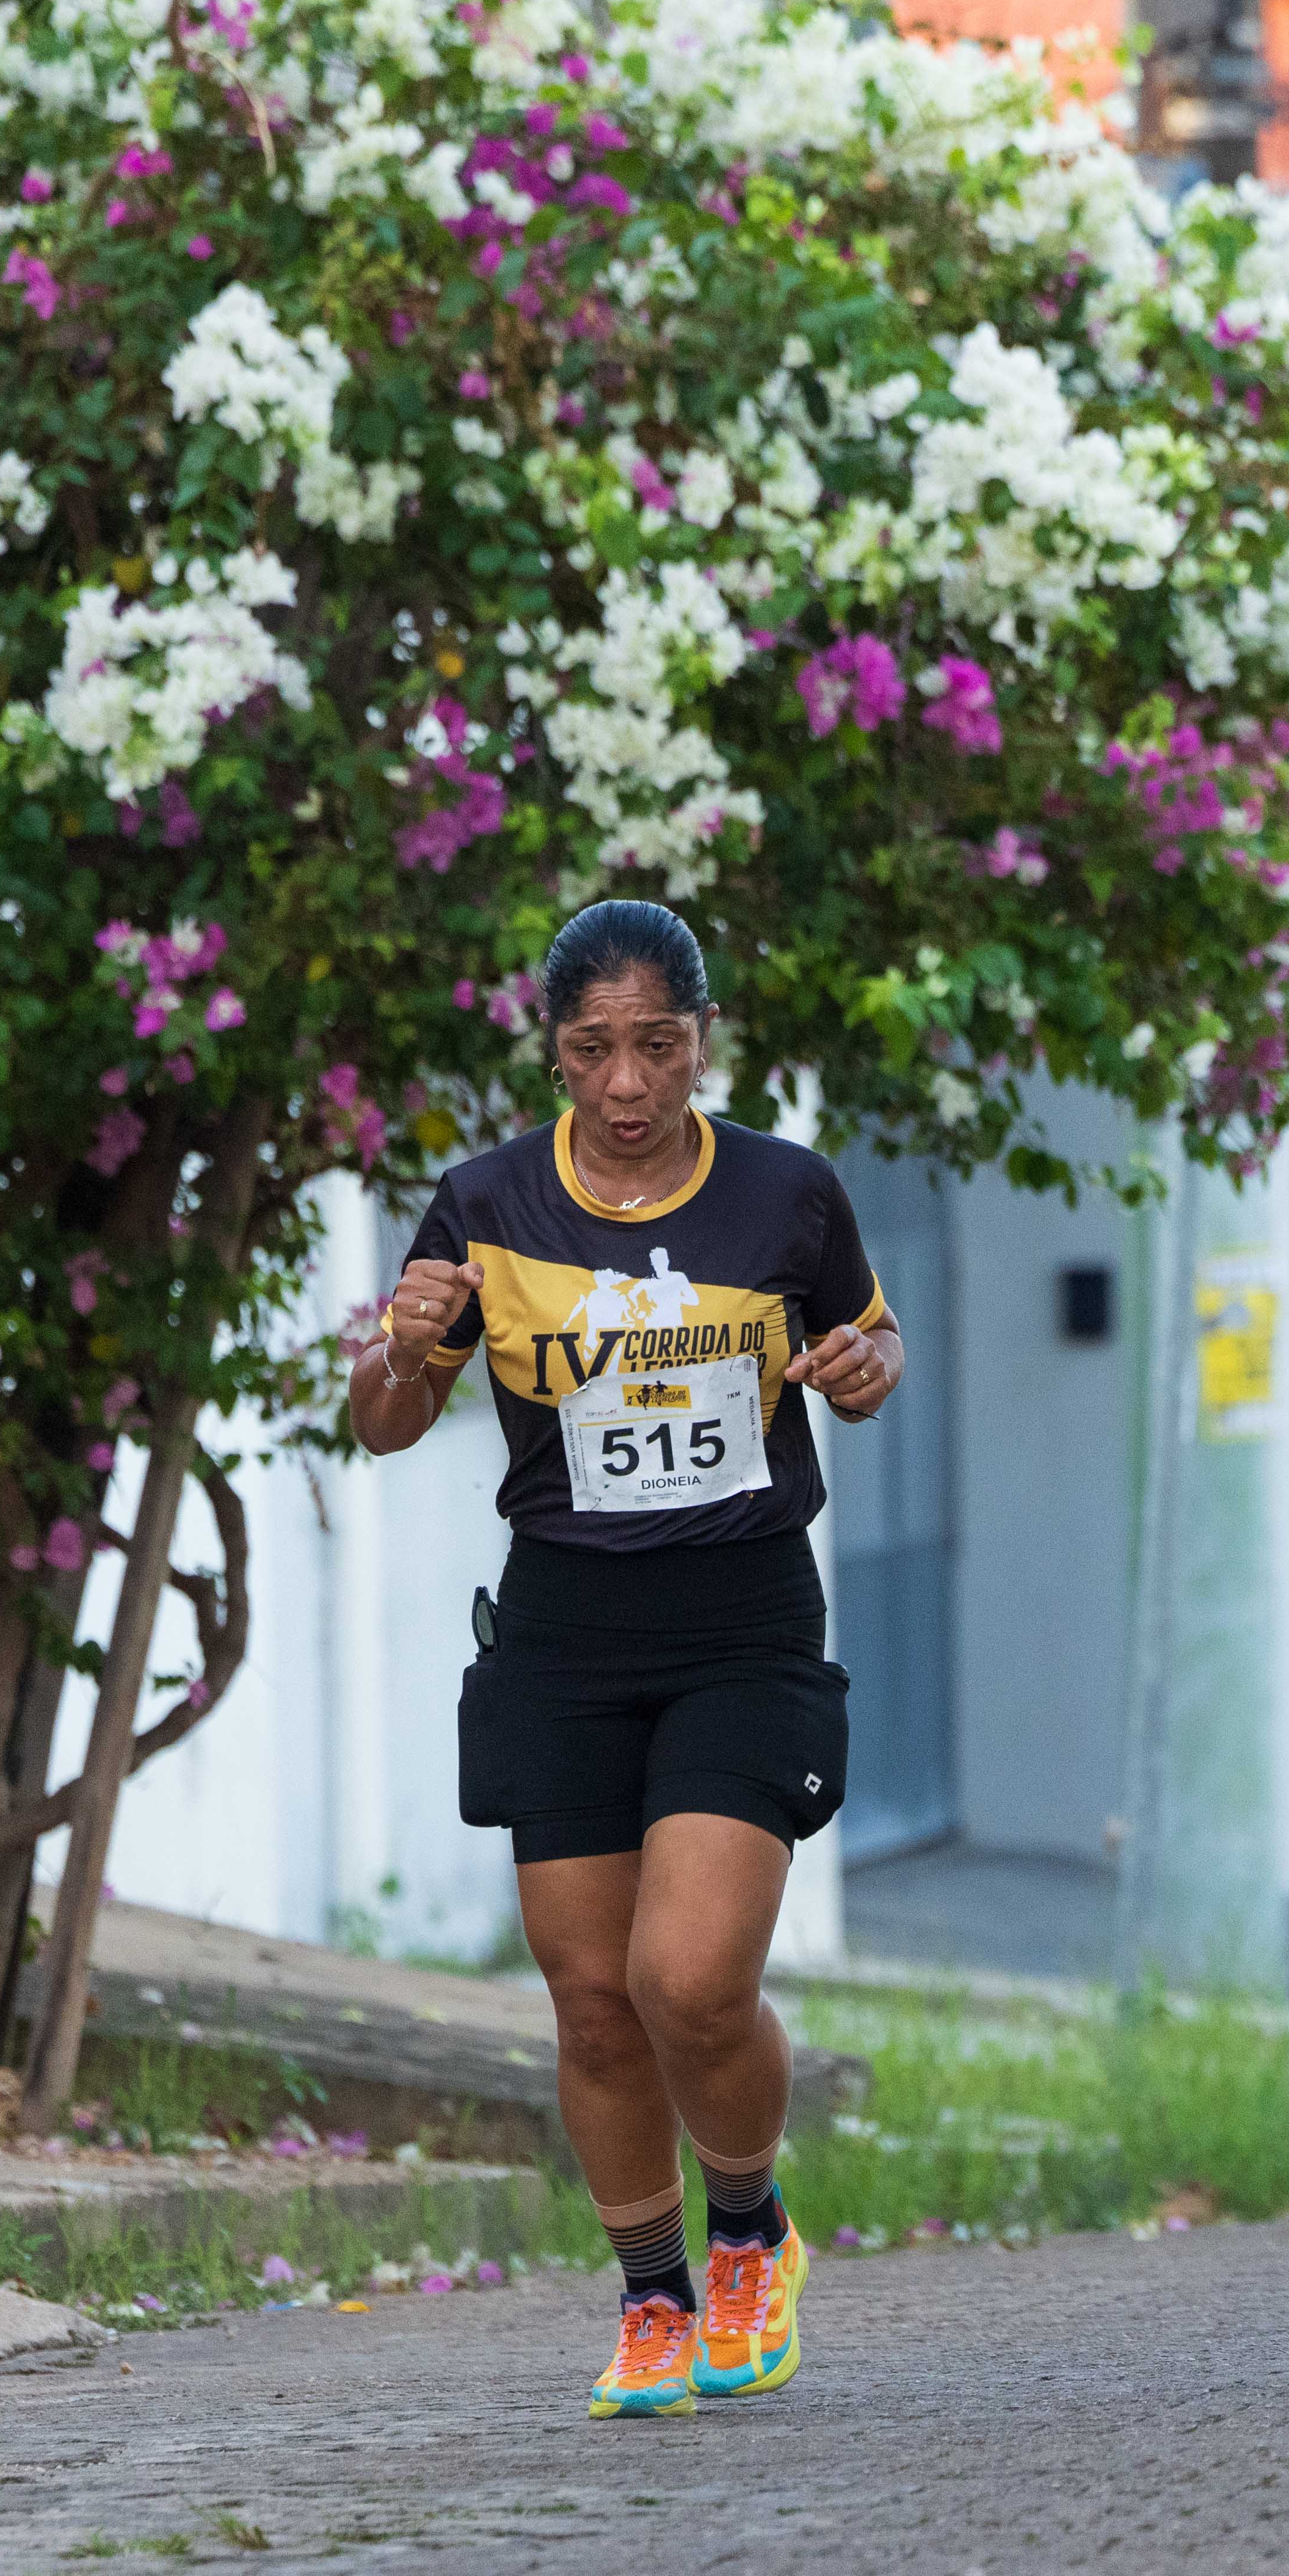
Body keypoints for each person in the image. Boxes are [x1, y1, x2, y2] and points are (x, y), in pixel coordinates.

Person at [350, 899, 904, 2421]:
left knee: (688, 1979)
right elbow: (386, 1422)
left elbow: (868, 1350)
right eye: (593, 1051)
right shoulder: (484, 1206)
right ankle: (653, 2294)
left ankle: (750, 2233)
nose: (628, 1085)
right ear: (554, 1052)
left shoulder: (786, 1196)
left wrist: (861, 1370)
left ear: (701, 1043)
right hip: (565, 1633)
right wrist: (402, 1345)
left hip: (742, 1625)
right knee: (592, 1997)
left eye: (658, 1047)